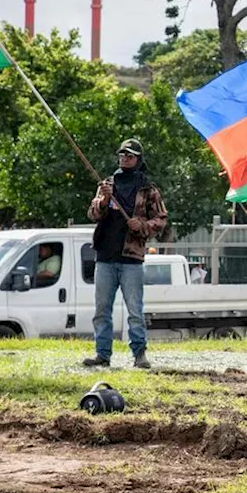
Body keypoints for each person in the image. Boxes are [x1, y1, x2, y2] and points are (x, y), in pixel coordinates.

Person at [82, 138, 168, 369]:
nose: (124, 158)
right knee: (102, 310)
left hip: (131, 257)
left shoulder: (148, 190)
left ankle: (139, 354)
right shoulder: (107, 184)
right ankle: (102, 354)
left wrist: (142, 226)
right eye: (122, 155)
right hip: (105, 256)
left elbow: (160, 220)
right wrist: (105, 200)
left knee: (134, 311)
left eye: (129, 155)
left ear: (138, 159)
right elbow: (93, 214)